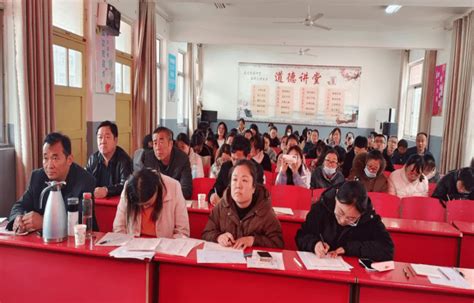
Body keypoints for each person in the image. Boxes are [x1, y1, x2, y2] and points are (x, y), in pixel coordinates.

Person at [7, 132, 97, 232]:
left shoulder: (85, 181)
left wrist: (44, 222)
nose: (49, 165)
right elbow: (19, 206)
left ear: (69, 159)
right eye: (45, 158)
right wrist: (18, 218)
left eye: (55, 158)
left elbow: (80, 223)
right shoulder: (37, 177)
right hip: (41, 241)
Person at [296, 181, 394, 261]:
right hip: (319, 265)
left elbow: (387, 250)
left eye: (351, 219)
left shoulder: (370, 219)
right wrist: (314, 244)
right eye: (340, 212)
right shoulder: (321, 207)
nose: (342, 221)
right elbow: (301, 236)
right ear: (336, 198)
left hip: (353, 274)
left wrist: (349, 249)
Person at [202, 159, 283, 249]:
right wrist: (218, 237)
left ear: (253, 188)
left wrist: (253, 240)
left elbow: (278, 242)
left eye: (244, 180)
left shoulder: (264, 210)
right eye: (235, 179)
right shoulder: (222, 206)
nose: (238, 185)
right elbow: (206, 233)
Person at [113, 168, 190, 238]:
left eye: (148, 204)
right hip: (133, 246)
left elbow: (182, 231)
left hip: (164, 246)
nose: (144, 207)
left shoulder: (174, 187)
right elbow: (119, 227)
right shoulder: (129, 187)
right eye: (140, 205)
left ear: (156, 189)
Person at [209, 135, 264, 205]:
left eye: (238, 160)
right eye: (233, 158)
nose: (235, 163)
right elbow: (215, 189)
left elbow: (258, 198)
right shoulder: (226, 167)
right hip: (226, 212)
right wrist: (212, 196)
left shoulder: (257, 170)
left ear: (248, 157)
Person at [140, 127, 193, 199]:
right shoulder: (149, 158)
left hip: (175, 203)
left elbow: (186, 190)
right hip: (155, 203)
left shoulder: (182, 159)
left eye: (161, 142)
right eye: (155, 143)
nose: (157, 147)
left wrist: (164, 196)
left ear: (170, 144)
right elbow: (144, 186)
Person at [86, 121, 133, 198]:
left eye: (107, 137)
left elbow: (126, 185)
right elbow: (86, 180)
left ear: (115, 140)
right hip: (97, 202)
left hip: (117, 203)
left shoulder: (124, 160)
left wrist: (107, 190)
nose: (103, 141)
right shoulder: (93, 159)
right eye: (100, 137)